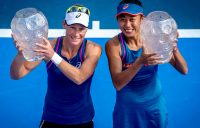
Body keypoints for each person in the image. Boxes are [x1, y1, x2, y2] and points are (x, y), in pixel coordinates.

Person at [10, 4, 102, 128]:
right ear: (64, 24)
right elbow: (17, 74)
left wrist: (52, 56)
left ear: (87, 29)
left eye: (81, 29)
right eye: (72, 27)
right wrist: (20, 55)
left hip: (82, 119)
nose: (76, 33)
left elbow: (79, 78)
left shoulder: (93, 49)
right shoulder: (50, 46)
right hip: (51, 119)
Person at [105, 0, 188, 128]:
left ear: (142, 19)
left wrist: (174, 49)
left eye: (132, 19)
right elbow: (118, 83)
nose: (127, 24)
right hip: (127, 110)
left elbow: (184, 70)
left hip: (154, 107)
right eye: (122, 19)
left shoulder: (154, 38)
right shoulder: (113, 45)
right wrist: (140, 62)